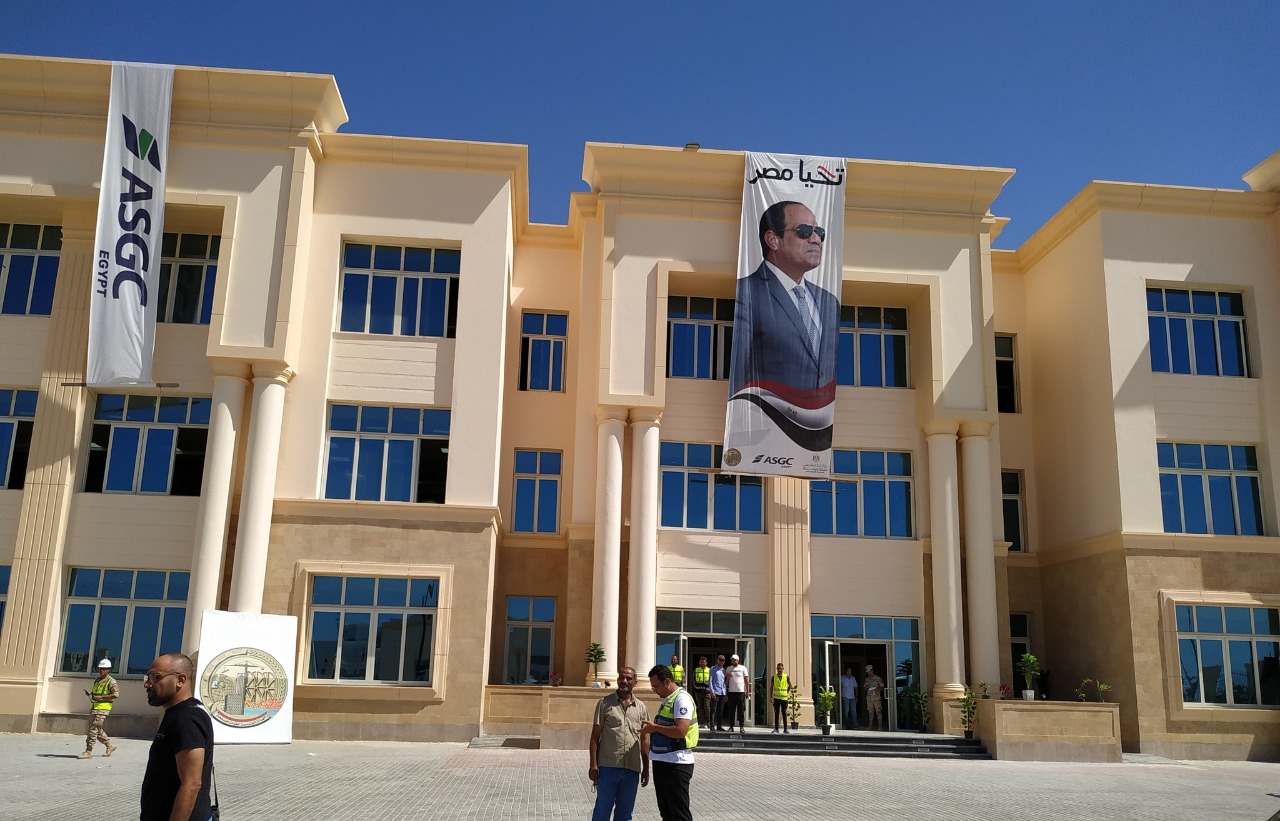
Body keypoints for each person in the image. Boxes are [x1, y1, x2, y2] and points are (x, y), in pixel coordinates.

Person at [728, 200, 840, 411]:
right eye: (804, 231)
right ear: (773, 240)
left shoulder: (829, 303)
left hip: (818, 424)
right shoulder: (748, 292)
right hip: (766, 421)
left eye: (819, 232)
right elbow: (739, 369)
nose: (816, 240)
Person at [141, 653, 214, 821]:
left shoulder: (186, 719)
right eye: (147, 677)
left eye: (155, 677)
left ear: (180, 680)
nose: (147, 684)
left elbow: (192, 784)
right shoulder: (178, 713)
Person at [589, 665, 649, 821]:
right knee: (602, 811)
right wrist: (593, 765)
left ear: (635, 682)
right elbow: (595, 737)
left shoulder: (641, 707)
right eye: (622, 677)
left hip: (632, 768)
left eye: (629, 678)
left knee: (625, 814)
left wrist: (646, 768)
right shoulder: (604, 703)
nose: (624, 681)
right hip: (608, 766)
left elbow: (644, 740)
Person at [641, 665, 697, 821]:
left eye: (655, 686)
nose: (654, 690)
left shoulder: (681, 699)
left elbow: (681, 730)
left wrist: (654, 728)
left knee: (679, 813)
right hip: (663, 761)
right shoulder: (669, 699)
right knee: (666, 812)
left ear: (666, 682)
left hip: (676, 763)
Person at [78, 658, 118, 759]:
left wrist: (100, 697)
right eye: (100, 668)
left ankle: (88, 751)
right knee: (97, 729)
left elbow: (116, 694)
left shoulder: (111, 681)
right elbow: (96, 694)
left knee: (93, 729)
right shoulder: (97, 680)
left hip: (103, 709)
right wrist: (90, 695)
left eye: (104, 669)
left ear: (108, 670)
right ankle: (109, 745)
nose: (101, 670)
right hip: (95, 707)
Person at [724, 653, 749, 733]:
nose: (733, 661)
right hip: (731, 692)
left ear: (738, 660)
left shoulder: (743, 668)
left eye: (734, 660)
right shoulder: (728, 669)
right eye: (732, 660)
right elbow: (726, 681)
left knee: (741, 710)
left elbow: (746, 680)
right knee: (731, 710)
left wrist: (747, 691)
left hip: (740, 692)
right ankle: (731, 727)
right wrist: (728, 677)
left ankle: (742, 727)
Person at [769, 662, 791, 734]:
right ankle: (776, 728)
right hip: (776, 698)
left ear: (783, 669)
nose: (779, 670)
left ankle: (785, 729)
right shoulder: (774, 677)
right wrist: (771, 697)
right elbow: (771, 687)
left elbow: (790, 685)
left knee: (784, 713)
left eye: (780, 668)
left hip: (784, 698)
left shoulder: (786, 676)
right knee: (776, 713)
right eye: (778, 668)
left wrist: (786, 692)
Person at [708, 654, 727, 733]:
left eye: (723, 660)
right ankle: (712, 725)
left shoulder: (724, 670)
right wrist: (712, 691)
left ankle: (719, 726)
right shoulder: (713, 669)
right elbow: (710, 681)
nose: (721, 661)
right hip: (715, 692)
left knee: (720, 710)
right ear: (717, 660)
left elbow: (724, 682)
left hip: (722, 692)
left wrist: (725, 693)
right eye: (720, 660)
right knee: (713, 709)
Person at [864, 664, 886, 730]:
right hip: (869, 698)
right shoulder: (867, 679)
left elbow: (882, 687)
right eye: (867, 672)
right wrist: (866, 687)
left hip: (876, 698)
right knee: (870, 712)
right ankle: (870, 726)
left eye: (869, 671)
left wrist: (876, 689)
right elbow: (864, 688)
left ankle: (880, 727)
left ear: (872, 671)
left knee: (878, 711)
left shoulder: (878, 678)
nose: (868, 673)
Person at [690, 656, 711, 728]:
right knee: (700, 707)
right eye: (701, 662)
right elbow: (693, 680)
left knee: (707, 707)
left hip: (707, 692)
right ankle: (702, 722)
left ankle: (708, 722)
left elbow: (711, 681)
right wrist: (696, 687)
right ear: (699, 662)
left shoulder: (709, 670)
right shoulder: (696, 670)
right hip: (698, 692)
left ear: (706, 663)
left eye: (704, 662)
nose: (702, 663)